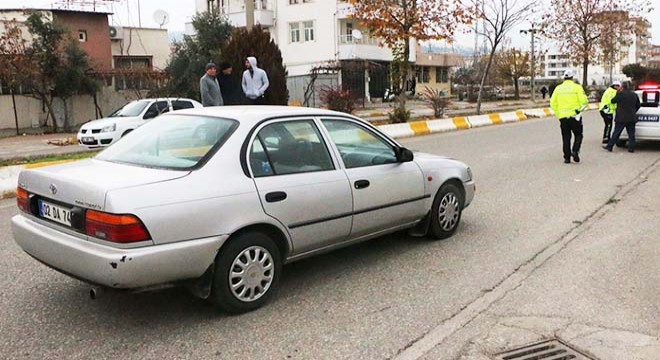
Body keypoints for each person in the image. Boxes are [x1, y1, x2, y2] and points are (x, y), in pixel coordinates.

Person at [550, 69, 588, 164]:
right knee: (578, 135)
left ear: (564, 77)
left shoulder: (558, 88)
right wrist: (579, 110)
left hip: (563, 117)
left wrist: (559, 114)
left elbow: (553, 103)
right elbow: (584, 101)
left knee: (566, 137)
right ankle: (575, 151)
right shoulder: (577, 88)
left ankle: (567, 158)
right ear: (572, 77)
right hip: (575, 116)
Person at [603, 82, 641, 153]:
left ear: (622, 87)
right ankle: (631, 148)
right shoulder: (634, 95)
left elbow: (613, 101)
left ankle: (610, 146)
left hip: (621, 117)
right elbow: (638, 105)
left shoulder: (620, 94)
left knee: (616, 132)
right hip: (631, 117)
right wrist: (633, 111)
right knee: (631, 134)